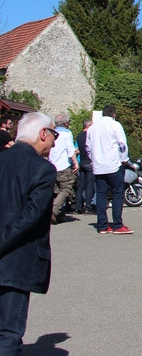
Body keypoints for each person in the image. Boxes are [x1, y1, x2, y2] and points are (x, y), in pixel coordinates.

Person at [0, 112, 57, 354]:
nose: (54, 142)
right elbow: (30, 217)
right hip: (15, 257)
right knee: (8, 333)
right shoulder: (42, 169)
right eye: (54, 135)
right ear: (43, 133)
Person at [85, 105, 132, 234]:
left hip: (98, 166)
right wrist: (124, 159)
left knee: (101, 195)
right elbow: (122, 144)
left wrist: (93, 159)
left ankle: (102, 225)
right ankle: (117, 224)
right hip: (113, 165)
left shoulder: (92, 128)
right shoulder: (115, 125)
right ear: (114, 114)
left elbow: (88, 147)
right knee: (117, 194)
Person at [49, 114, 78, 223]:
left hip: (52, 165)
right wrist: (75, 162)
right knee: (66, 188)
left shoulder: (51, 133)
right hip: (63, 165)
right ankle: (54, 210)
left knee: (56, 191)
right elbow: (70, 149)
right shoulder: (67, 133)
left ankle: (59, 215)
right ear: (66, 123)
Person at [75, 118, 94, 214]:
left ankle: (78, 206)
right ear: (88, 126)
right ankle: (88, 206)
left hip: (82, 162)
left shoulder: (79, 136)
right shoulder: (90, 135)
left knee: (81, 185)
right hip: (89, 162)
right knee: (90, 186)